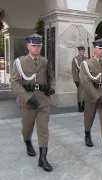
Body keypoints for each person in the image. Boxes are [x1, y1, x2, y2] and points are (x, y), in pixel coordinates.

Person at [10, 33, 55, 172]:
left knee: (43, 129)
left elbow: (51, 78)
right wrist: (27, 97)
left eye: (39, 46)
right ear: (28, 46)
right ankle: (27, 141)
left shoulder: (45, 61)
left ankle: (43, 158)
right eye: (34, 46)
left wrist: (51, 88)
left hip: (43, 101)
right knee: (27, 128)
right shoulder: (20, 62)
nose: (37, 48)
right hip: (28, 101)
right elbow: (15, 82)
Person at [79, 38, 102, 159]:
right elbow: (85, 81)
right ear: (94, 49)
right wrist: (96, 96)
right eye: (100, 48)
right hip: (91, 94)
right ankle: (87, 133)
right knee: (89, 117)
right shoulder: (86, 64)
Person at [72, 45, 88, 112]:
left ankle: (84, 105)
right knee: (79, 93)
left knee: (86, 92)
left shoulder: (86, 58)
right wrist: (76, 80)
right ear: (78, 51)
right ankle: (79, 106)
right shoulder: (75, 59)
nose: (82, 52)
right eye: (81, 51)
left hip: (86, 78)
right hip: (79, 78)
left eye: (83, 51)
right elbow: (73, 70)